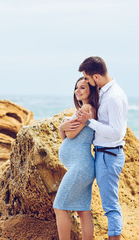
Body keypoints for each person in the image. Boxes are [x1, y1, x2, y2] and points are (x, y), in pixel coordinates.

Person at [76, 56, 128, 240]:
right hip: (104, 155)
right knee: (110, 204)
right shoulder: (105, 92)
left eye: (88, 79)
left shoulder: (113, 97)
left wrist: (89, 122)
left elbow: (116, 133)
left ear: (96, 76)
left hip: (108, 155)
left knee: (110, 206)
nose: (87, 83)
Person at [53, 77, 99, 240]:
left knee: (59, 207)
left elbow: (70, 134)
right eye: (76, 88)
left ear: (91, 91)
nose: (77, 91)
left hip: (80, 167)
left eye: (82, 88)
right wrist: (63, 126)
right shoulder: (85, 108)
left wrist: (65, 123)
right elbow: (63, 134)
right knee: (83, 210)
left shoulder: (87, 108)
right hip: (83, 166)